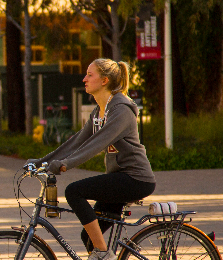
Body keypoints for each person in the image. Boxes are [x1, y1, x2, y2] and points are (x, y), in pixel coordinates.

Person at [27, 58, 155, 260]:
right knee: (88, 237)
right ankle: (102, 253)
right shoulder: (99, 112)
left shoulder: (121, 110)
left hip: (135, 179)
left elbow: (97, 143)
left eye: (90, 74)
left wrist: (65, 165)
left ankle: (104, 254)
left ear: (104, 80)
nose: (84, 79)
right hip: (119, 177)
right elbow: (77, 141)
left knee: (74, 191)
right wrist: (41, 162)